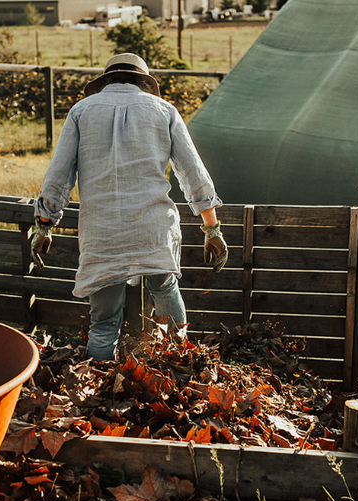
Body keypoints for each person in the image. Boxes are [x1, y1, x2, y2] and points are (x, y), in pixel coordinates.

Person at [30, 52, 227, 362]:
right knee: (165, 292)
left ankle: (97, 389)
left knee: (104, 324)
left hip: (102, 231)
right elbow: (193, 173)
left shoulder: (81, 111)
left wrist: (43, 225)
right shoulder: (164, 111)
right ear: (143, 82)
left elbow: (58, 176)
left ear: (106, 80)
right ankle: (179, 369)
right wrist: (212, 228)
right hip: (152, 228)